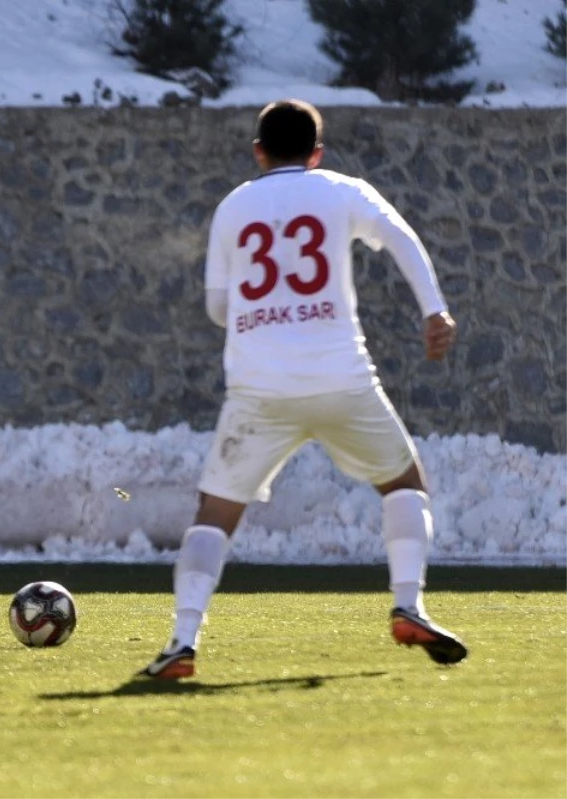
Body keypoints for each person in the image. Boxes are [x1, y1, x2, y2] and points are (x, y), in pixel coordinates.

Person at [142, 99, 468, 680]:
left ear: (258, 152)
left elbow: (219, 308)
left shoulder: (235, 205)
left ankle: (182, 641)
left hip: (259, 389)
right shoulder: (342, 190)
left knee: (214, 514)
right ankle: (408, 604)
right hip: (342, 377)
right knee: (403, 482)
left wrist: (260, 310)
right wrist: (434, 312)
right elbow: (400, 237)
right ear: (317, 153)